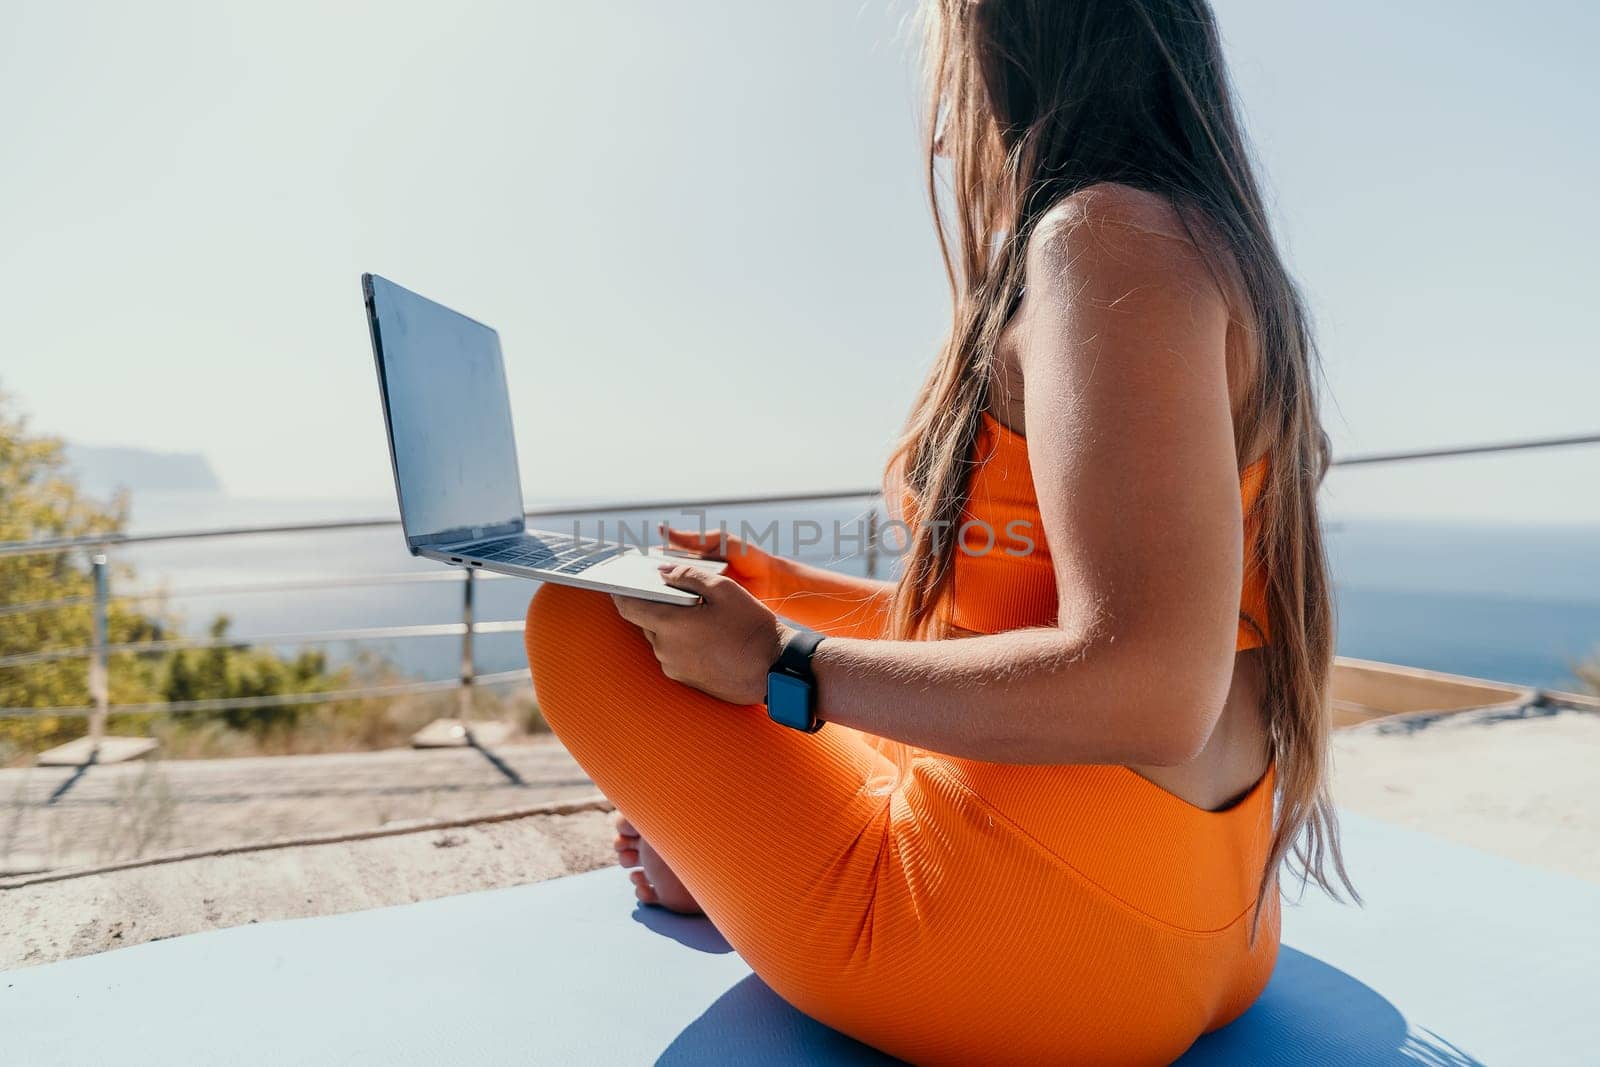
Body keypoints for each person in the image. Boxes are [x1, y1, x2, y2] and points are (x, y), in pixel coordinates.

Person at [524, 1, 1353, 1062]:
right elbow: (1015, 622)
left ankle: (726, 862)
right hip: (1213, 919)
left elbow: (1151, 686)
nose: (937, 109)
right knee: (772, 661)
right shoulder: (1194, 246)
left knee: (584, 615)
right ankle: (722, 851)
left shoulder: (1102, 242)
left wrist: (780, 664)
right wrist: (780, 592)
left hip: (1045, 958)